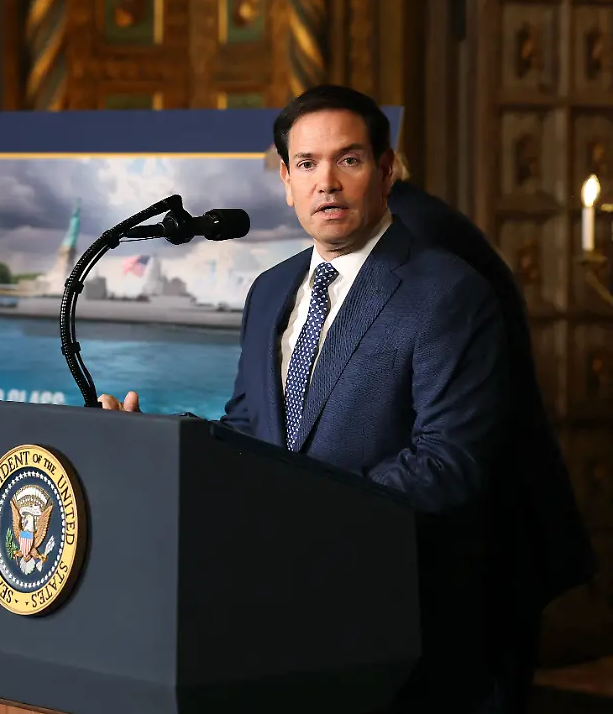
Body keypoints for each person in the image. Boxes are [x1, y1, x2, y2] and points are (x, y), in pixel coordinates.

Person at [99, 85, 590, 712]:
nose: (325, 182)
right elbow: (251, 428)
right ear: (286, 180)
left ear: (386, 170)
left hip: (400, 621)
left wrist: (307, 516)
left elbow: (448, 464)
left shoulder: (448, 292)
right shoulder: (269, 289)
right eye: (306, 164)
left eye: (348, 160)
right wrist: (160, 438)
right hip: (283, 614)